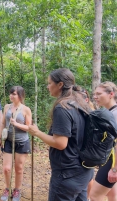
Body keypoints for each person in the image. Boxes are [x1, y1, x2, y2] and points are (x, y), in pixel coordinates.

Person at [27, 68, 94, 201]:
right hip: (83, 171)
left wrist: (37, 132)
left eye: (50, 83)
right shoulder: (80, 104)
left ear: (60, 85)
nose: (48, 86)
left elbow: (60, 143)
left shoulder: (62, 107)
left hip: (67, 175)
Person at [0, 86, 32, 201]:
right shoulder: (7, 107)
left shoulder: (26, 109)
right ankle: (7, 188)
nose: (11, 96)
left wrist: (16, 124)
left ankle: (17, 190)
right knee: (6, 168)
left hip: (22, 142)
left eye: (14, 94)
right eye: (10, 94)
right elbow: (2, 123)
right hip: (8, 140)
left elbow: (29, 127)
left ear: (20, 96)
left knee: (19, 168)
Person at [90, 81, 117, 201]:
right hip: (109, 158)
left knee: (95, 196)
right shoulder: (109, 112)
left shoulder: (115, 114)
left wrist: (115, 169)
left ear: (111, 94)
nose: (95, 97)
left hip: (112, 161)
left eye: (99, 94)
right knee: (111, 195)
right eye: (94, 94)